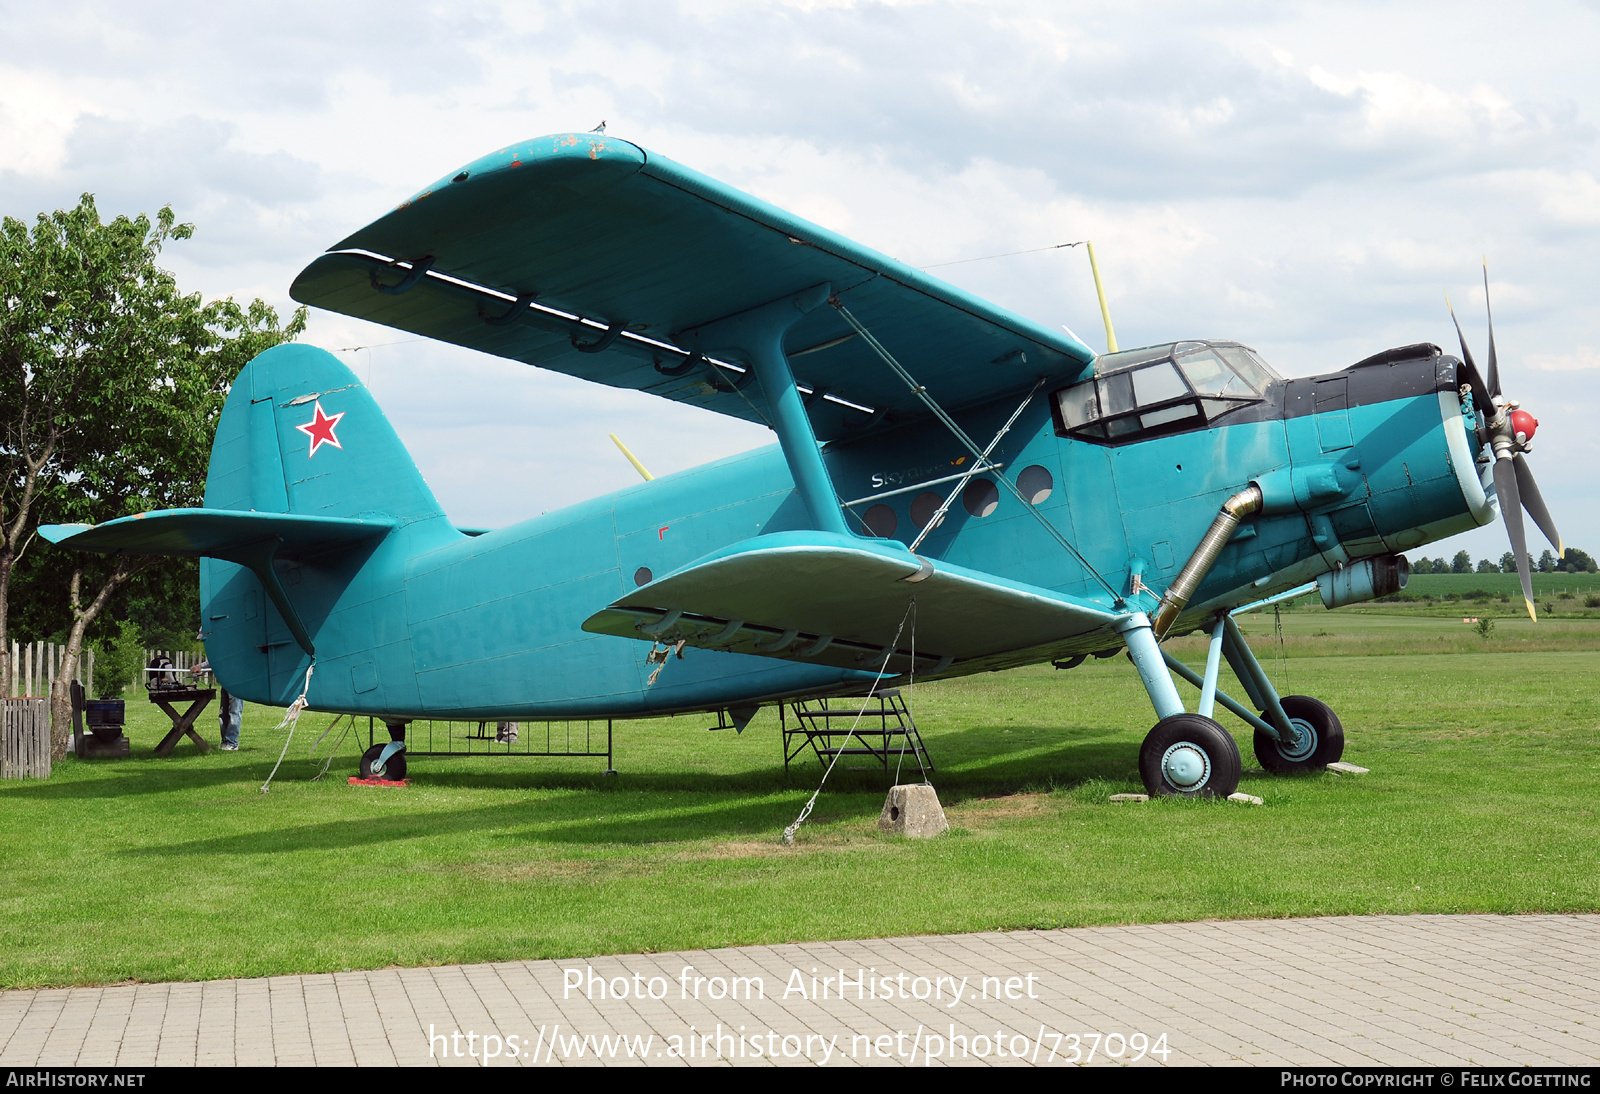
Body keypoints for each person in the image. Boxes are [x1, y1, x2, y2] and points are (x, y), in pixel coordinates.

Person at [192, 656, 242, 750]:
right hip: (226, 682)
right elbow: (217, 660)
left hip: (237, 681)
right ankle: (225, 742)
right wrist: (202, 667)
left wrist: (201, 666)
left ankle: (232, 743)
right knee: (223, 713)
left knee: (234, 712)